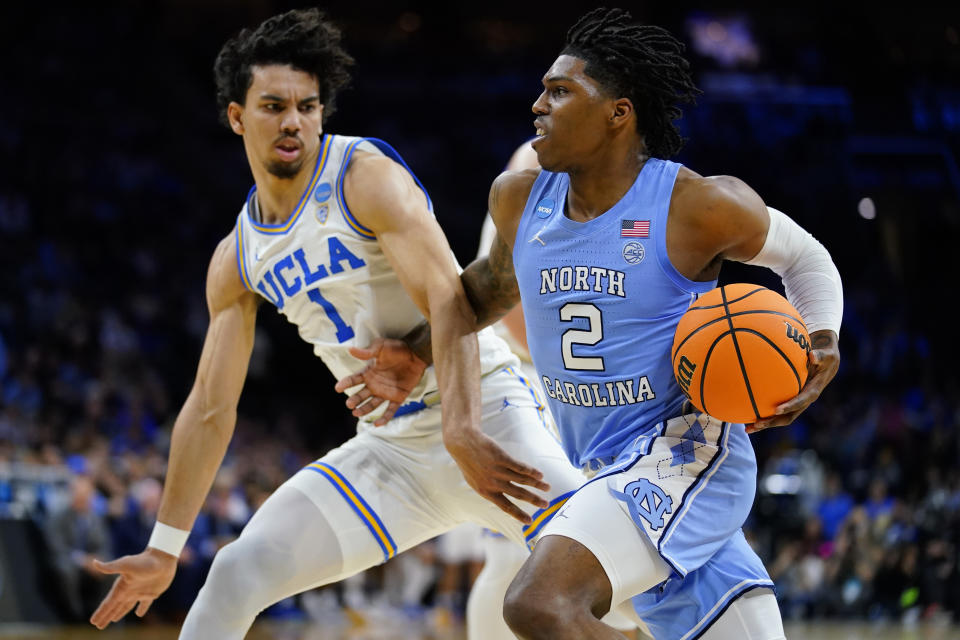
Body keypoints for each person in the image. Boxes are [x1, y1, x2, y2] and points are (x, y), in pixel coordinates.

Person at [338, 8, 843, 639]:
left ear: (618, 113)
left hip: (682, 451)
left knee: (538, 604)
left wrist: (821, 339)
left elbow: (805, 257)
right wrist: (416, 351)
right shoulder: (520, 200)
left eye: (559, 91)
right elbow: (481, 293)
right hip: (602, 462)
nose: (537, 106)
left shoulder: (695, 205)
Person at [87, 8, 589, 637]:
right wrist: (165, 546)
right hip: (390, 454)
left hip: (489, 418)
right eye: (273, 105)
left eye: (308, 105)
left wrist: (461, 430)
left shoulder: (364, 177)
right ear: (237, 116)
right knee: (237, 571)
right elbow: (211, 408)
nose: (294, 120)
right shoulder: (236, 257)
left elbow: (452, 301)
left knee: (621, 578)